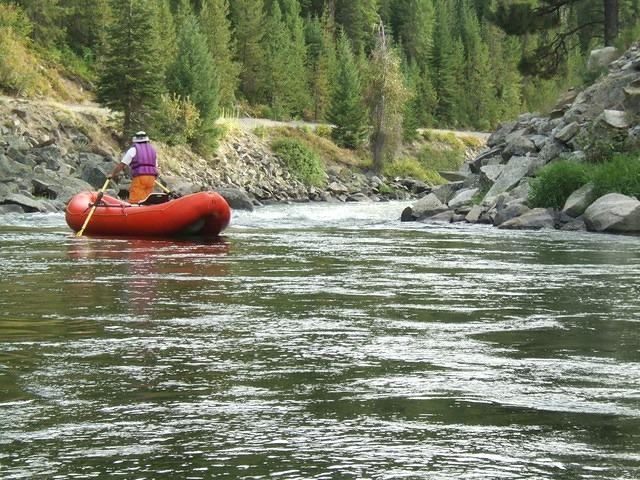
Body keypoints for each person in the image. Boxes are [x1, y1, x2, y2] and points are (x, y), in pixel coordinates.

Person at [108, 131, 158, 203]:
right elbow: (156, 167)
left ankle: (134, 210)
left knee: (134, 201)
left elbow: (122, 165)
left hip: (140, 177)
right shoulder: (152, 151)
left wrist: (113, 174)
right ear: (146, 140)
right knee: (146, 201)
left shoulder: (133, 150)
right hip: (151, 178)